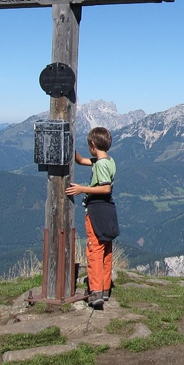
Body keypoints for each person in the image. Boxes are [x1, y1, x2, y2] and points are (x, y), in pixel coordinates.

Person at [66, 127, 119, 309]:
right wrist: (68, 146)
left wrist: (82, 189)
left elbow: (105, 188)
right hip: (108, 210)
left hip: (97, 209)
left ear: (93, 144)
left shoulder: (101, 165)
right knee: (105, 249)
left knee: (94, 250)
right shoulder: (108, 161)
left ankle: (95, 292)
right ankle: (104, 289)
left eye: (89, 145)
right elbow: (80, 160)